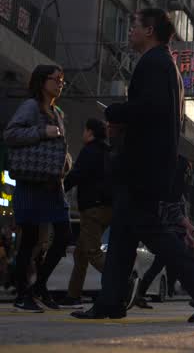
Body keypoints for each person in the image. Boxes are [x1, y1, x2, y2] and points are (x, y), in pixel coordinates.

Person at [71, 9, 194, 322]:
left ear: (150, 30)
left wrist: (117, 111)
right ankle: (110, 301)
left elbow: (150, 108)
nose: (130, 32)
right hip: (146, 166)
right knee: (124, 235)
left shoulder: (154, 63)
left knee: (152, 232)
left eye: (135, 26)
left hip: (142, 166)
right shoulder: (164, 64)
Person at [4, 65, 72, 312]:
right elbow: (11, 134)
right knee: (29, 239)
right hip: (31, 182)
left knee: (63, 235)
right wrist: (42, 131)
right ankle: (24, 294)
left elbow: (60, 148)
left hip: (53, 185)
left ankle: (39, 286)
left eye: (62, 81)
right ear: (42, 81)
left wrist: (67, 162)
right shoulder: (31, 107)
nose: (60, 84)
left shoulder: (57, 112)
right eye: (57, 79)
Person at [134, 155, 194, 309]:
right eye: (187, 170)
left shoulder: (179, 190)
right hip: (169, 234)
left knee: (167, 266)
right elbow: (176, 214)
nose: (189, 174)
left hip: (176, 234)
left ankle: (139, 294)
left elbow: (181, 215)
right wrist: (193, 230)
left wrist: (188, 235)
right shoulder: (171, 188)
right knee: (179, 266)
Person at [57, 118, 112, 308]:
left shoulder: (90, 151)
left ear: (89, 132)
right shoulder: (108, 151)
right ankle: (73, 296)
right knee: (81, 254)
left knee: (92, 252)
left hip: (93, 208)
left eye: (84, 130)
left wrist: (60, 187)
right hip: (107, 208)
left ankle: (122, 280)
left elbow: (77, 173)